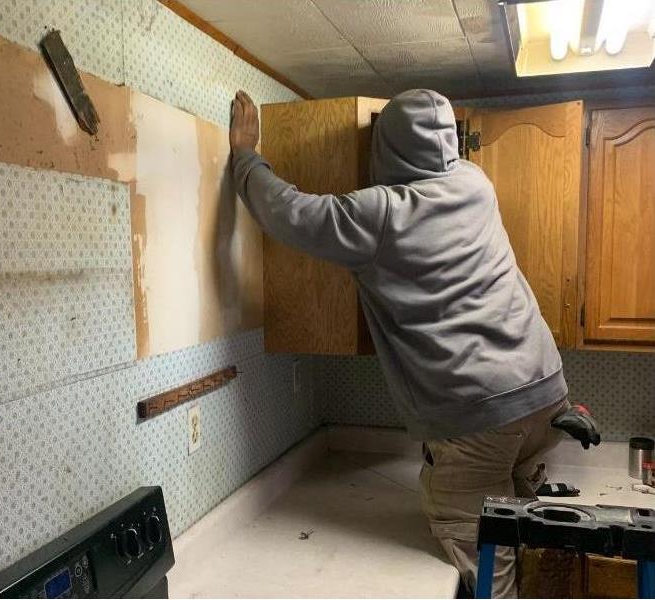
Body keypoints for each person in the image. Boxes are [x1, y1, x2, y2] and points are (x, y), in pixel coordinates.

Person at [228, 88, 571, 597]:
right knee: (530, 542)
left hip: (478, 420)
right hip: (547, 398)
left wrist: (244, 159)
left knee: (490, 564)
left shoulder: (382, 213)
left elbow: (291, 213)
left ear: (384, 149)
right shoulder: (476, 183)